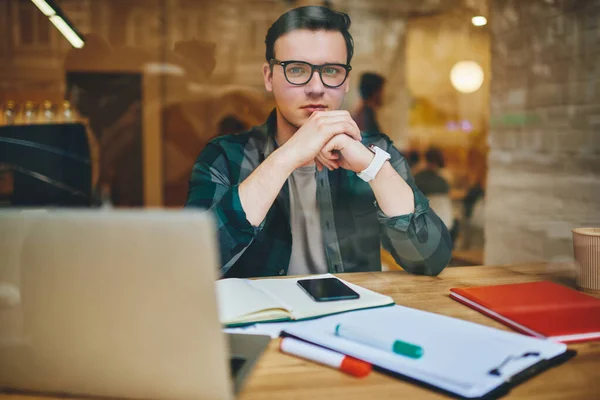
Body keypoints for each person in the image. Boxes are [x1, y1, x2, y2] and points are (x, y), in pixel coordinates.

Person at [186, 6, 451, 278]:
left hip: (350, 315)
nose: (316, 87)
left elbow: (431, 260)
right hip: (264, 319)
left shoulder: (375, 153)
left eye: (331, 71)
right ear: (268, 77)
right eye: (297, 70)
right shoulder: (225, 156)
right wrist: (288, 156)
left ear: (346, 80)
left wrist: (373, 168)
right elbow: (193, 264)